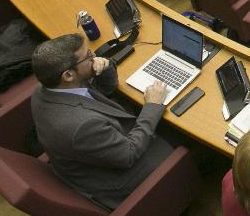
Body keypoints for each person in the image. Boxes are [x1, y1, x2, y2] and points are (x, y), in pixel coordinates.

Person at [31, 33, 172, 210]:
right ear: (68, 75)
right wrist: (151, 105)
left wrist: (104, 67)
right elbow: (128, 154)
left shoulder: (47, 88)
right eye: (88, 57)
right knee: (182, 136)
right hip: (120, 179)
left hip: (101, 146)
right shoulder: (81, 127)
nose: (94, 57)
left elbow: (104, 90)